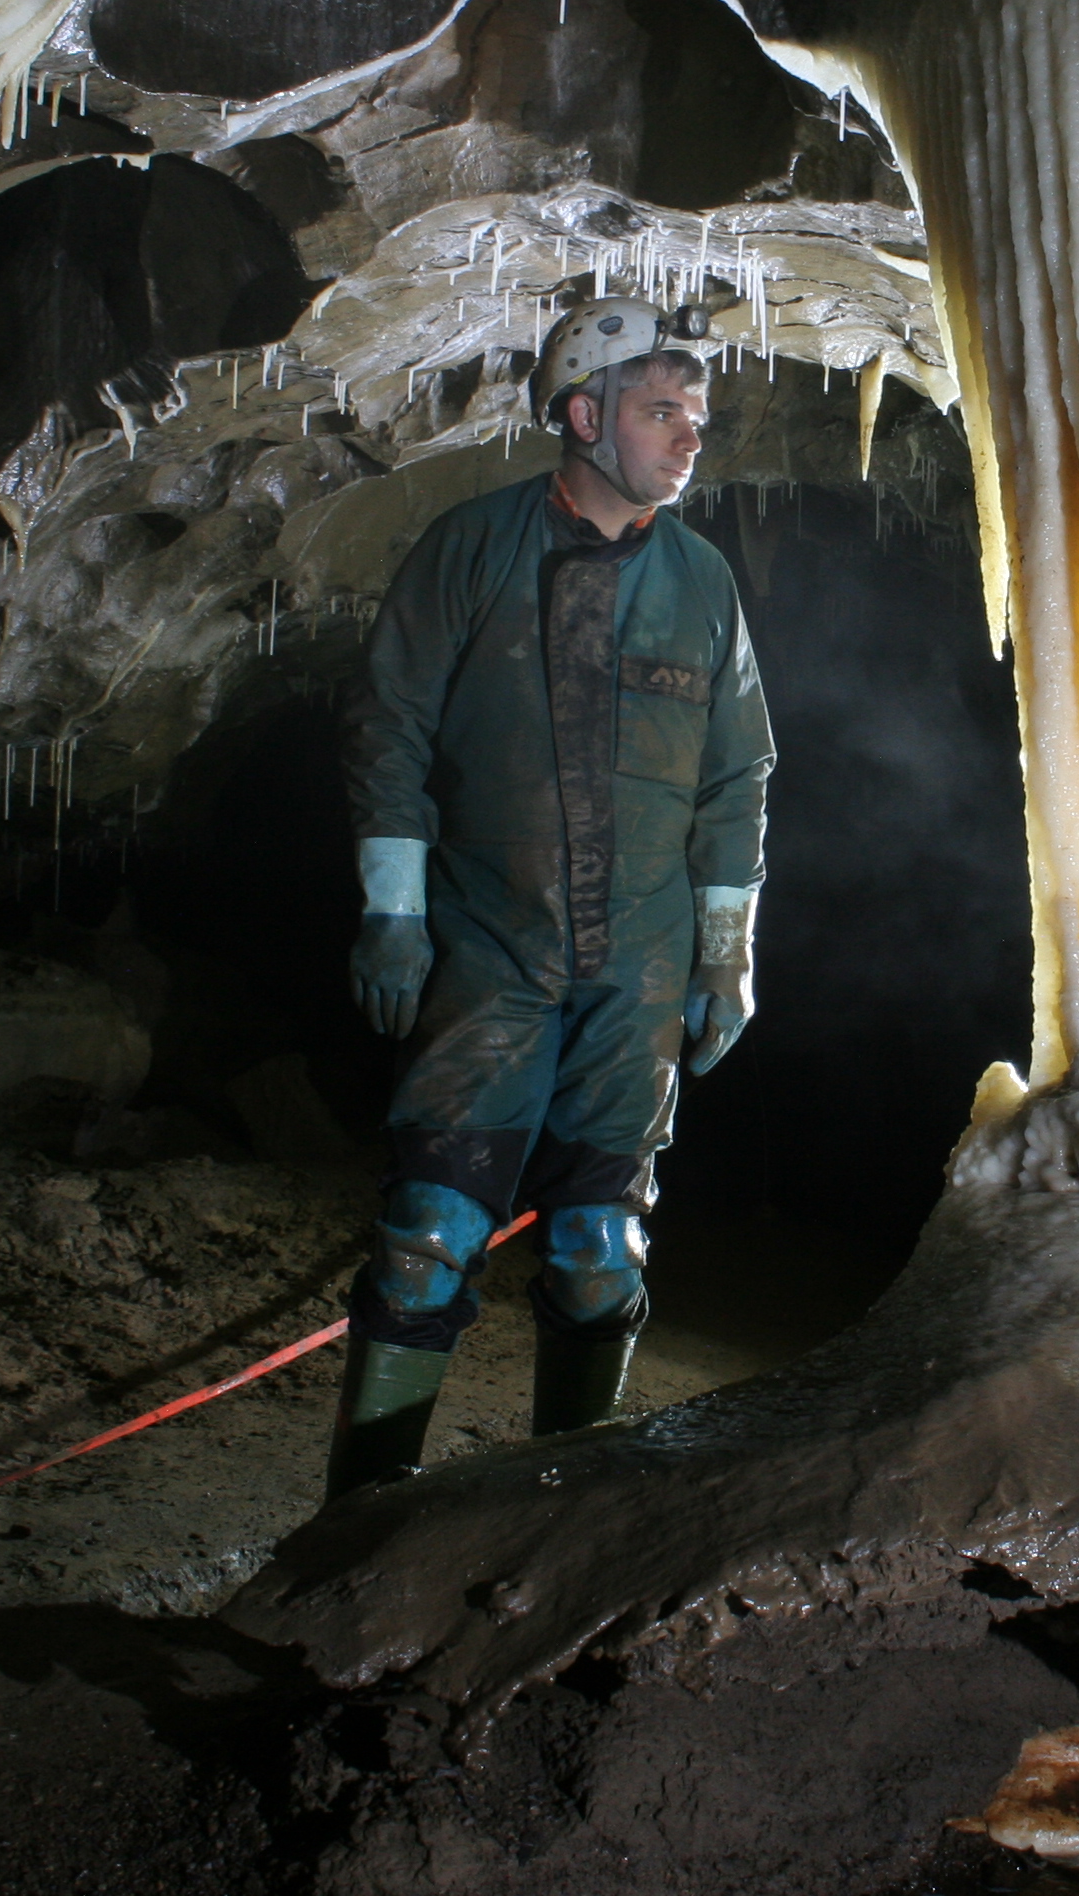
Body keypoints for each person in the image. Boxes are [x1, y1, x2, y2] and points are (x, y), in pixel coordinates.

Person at [324, 296, 773, 1498]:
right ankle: (358, 1526)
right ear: (583, 416)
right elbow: (390, 731)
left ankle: (559, 1521)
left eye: (698, 415)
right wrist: (393, 909)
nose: (690, 437)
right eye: (661, 410)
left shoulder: (704, 581)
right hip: (491, 950)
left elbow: (738, 778)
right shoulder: (470, 548)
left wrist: (727, 953)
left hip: (637, 975)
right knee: (424, 1244)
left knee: (595, 1251)